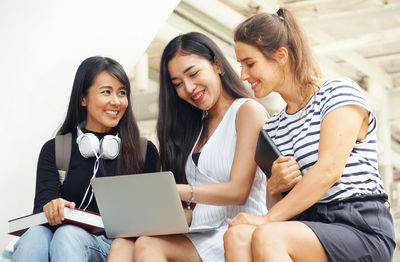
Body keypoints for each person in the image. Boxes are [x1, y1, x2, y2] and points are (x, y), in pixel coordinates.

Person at [223, 8, 396, 262]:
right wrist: (274, 187)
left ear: (281, 56)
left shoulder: (338, 93)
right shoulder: (273, 129)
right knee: (237, 236)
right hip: (306, 224)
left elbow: (328, 171)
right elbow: (280, 206)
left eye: (249, 64)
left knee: (268, 234)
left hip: (358, 225)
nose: (243, 76)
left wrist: (267, 219)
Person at [106, 32, 269, 262]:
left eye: (193, 74)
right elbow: (197, 210)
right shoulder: (196, 128)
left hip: (236, 232)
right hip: (201, 232)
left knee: (148, 246)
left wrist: (178, 190)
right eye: (178, 84)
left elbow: (238, 191)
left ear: (216, 64)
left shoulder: (246, 111)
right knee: (122, 244)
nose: (189, 88)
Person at [11, 56, 160, 262]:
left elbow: (151, 221)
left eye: (122, 93)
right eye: (106, 92)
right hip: (59, 240)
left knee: (67, 234)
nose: (116, 101)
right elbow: (41, 211)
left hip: (112, 247)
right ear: (83, 98)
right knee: (34, 236)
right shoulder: (56, 149)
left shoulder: (143, 151)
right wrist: (52, 207)